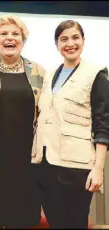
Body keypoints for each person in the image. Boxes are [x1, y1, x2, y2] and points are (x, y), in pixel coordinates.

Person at [33, 20, 109, 228]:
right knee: (56, 222)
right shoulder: (50, 76)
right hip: (47, 163)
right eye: (63, 39)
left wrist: (98, 169)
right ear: (57, 45)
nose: (70, 43)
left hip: (76, 167)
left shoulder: (97, 74)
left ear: (83, 40)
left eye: (75, 37)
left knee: (75, 222)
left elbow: (103, 123)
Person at [0, 15, 45, 229]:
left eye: (16, 34)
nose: (10, 38)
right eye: (4, 34)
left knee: (23, 218)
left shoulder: (39, 72)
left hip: (26, 160)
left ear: (23, 40)